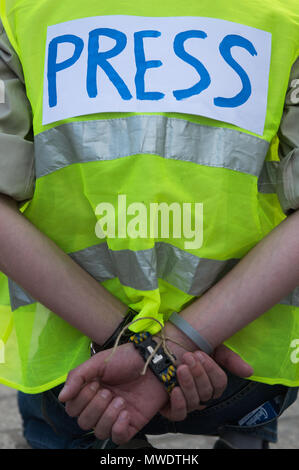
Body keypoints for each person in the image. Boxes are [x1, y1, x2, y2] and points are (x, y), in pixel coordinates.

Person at [0, 0, 299, 450]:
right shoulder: (285, 13)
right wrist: (174, 346)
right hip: (237, 358)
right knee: (248, 424)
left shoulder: (20, 11)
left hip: (79, 367)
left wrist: (133, 345)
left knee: (61, 427)